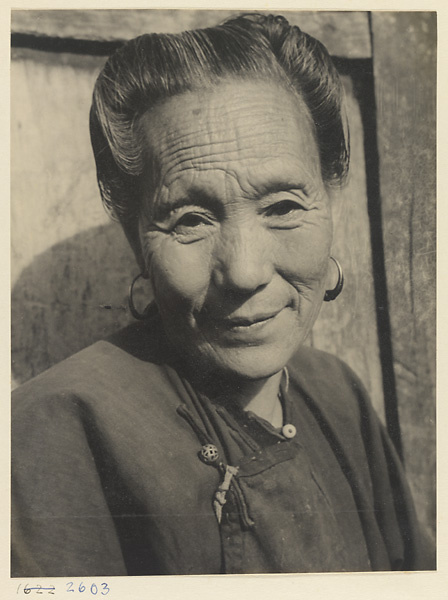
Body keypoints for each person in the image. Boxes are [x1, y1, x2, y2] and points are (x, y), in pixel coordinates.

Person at [11, 13, 434, 576]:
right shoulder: (57, 431)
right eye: (189, 219)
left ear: (331, 204)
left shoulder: (337, 394)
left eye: (283, 206)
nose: (244, 270)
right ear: (135, 239)